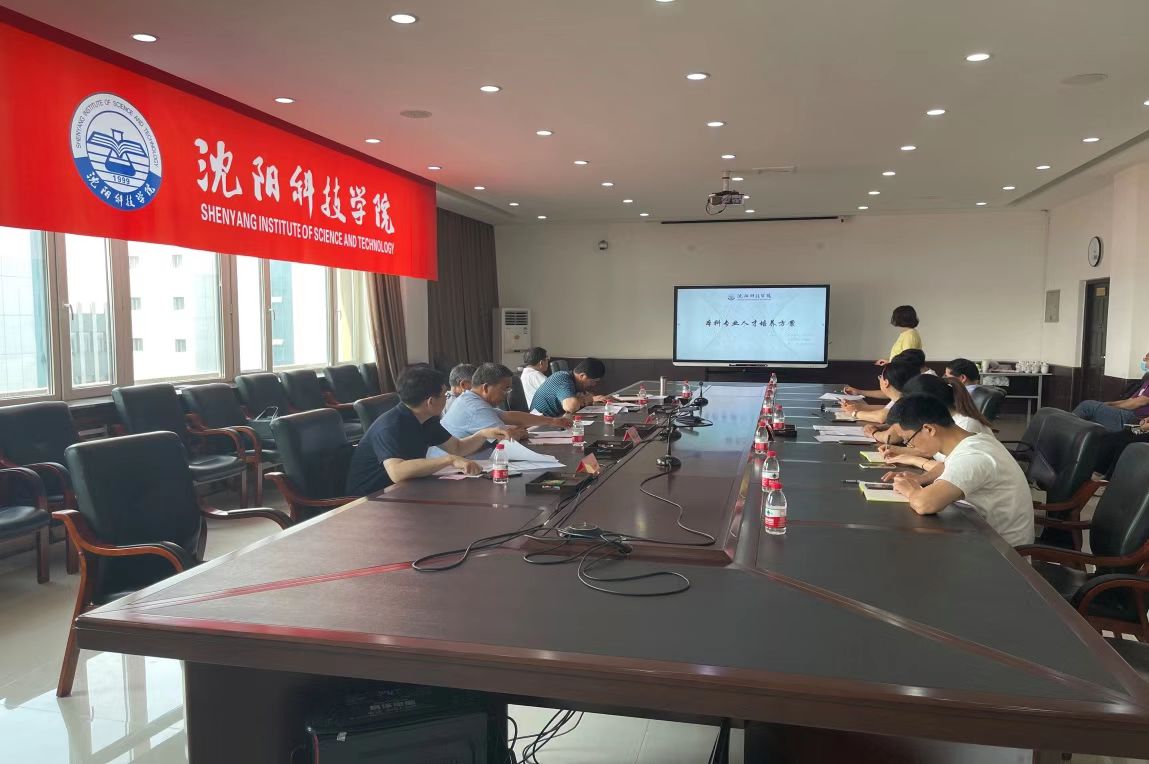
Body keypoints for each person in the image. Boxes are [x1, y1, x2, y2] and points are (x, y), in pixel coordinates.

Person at [880, 393, 1034, 547]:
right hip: (980, 533)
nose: (909, 445)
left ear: (929, 429)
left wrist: (911, 490)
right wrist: (921, 479)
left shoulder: (973, 456)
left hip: (1001, 552)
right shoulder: (974, 440)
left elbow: (924, 504)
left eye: (908, 439)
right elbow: (947, 466)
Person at [345, 365, 512, 495]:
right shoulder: (390, 426)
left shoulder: (426, 419)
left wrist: (483, 434)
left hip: (406, 490)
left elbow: (457, 448)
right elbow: (397, 471)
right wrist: (449, 460)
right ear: (430, 402)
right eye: (444, 395)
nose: (447, 399)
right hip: (371, 499)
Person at [880, 375, 995, 477]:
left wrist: (912, 459)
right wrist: (900, 452)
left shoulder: (966, 424)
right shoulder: (947, 422)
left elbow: (951, 468)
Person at [442, 363, 571, 440]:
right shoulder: (475, 408)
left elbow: (508, 416)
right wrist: (516, 432)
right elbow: (508, 438)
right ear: (485, 387)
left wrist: (551, 421)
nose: (507, 394)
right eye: (505, 389)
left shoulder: (471, 399)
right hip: (452, 471)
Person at [1070, 351, 1149, 432]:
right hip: (1129, 412)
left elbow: (1137, 403)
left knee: (1087, 406)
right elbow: (1130, 400)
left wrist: (1112, 407)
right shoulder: (1147, 381)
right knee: (1090, 415)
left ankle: (1067, 431)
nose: (1144, 360)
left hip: (1136, 418)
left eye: (1146, 358)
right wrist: (1109, 404)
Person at [839, 361, 920, 427]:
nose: (880, 379)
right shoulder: (902, 395)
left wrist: (854, 413)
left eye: (880, 377)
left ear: (886, 383)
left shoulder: (905, 399)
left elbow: (881, 417)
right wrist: (858, 407)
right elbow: (886, 410)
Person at [530, 357, 609, 417]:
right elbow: (571, 407)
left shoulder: (573, 381)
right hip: (538, 425)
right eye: (593, 381)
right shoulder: (563, 379)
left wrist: (589, 398)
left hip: (553, 420)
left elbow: (587, 395)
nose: (594, 384)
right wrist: (589, 399)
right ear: (582, 376)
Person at [846, 349, 931, 399]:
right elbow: (892, 392)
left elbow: (882, 416)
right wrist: (859, 392)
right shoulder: (917, 376)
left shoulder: (924, 383)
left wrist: (855, 412)